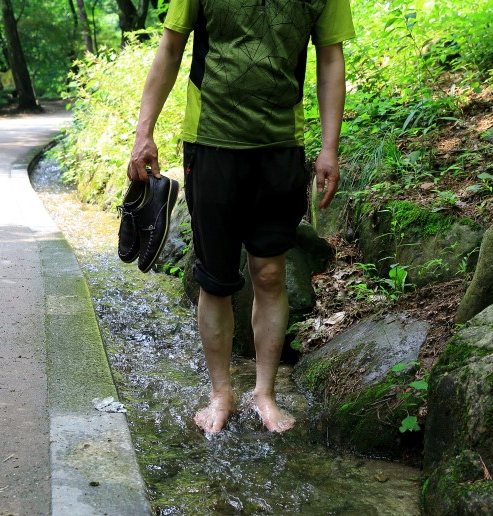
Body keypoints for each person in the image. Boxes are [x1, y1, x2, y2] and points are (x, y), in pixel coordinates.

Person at [128, 0, 355, 435]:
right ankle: (221, 393)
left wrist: (329, 148)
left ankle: (264, 394)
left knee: (270, 273)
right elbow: (171, 47)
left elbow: (330, 57)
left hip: (280, 145)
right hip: (211, 142)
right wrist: (144, 133)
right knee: (215, 275)